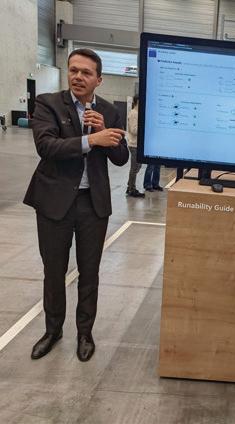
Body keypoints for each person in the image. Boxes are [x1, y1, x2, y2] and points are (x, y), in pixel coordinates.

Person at [24, 48, 129, 362]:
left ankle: (85, 333)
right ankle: (53, 331)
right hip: (55, 202)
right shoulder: (48, 104)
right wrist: (91, 141)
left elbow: (121, 157)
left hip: (92, 204)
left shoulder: (109, 111)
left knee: (89, 272)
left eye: (86, 72)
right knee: (54, 271)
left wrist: (102, 131)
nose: (78, 77)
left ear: (99, 79)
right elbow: (46, 146)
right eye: (73, 70)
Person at [126, 94, 145, 197]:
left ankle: (130, 185)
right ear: (138, 101)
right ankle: (131, 189)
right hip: (134, 144)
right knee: (134, 167)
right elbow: (133, 130)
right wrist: (144, 128)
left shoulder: (138, 113)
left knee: (138, 166)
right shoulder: (134, 113)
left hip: (137, 144)